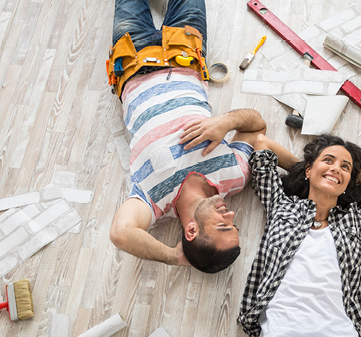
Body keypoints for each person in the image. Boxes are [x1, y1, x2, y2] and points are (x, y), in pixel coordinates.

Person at [108, 0, 266, 273]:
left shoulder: (153, 203)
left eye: (223, 224)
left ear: (191, 230)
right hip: (185, 51)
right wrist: (226, 121)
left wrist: (174, 257)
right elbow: (257, 125)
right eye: (233, 223)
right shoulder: (235, 176)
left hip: (133, 59)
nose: (230, 213)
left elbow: (121, 233)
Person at [237, 134, 361, 337]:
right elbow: (262, 144)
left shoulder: (359, 220)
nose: (337, 168)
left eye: (344, 166)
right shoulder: (281, 206)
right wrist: (310, 169)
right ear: (308, 170)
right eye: (329, 160)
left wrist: (347, 176)